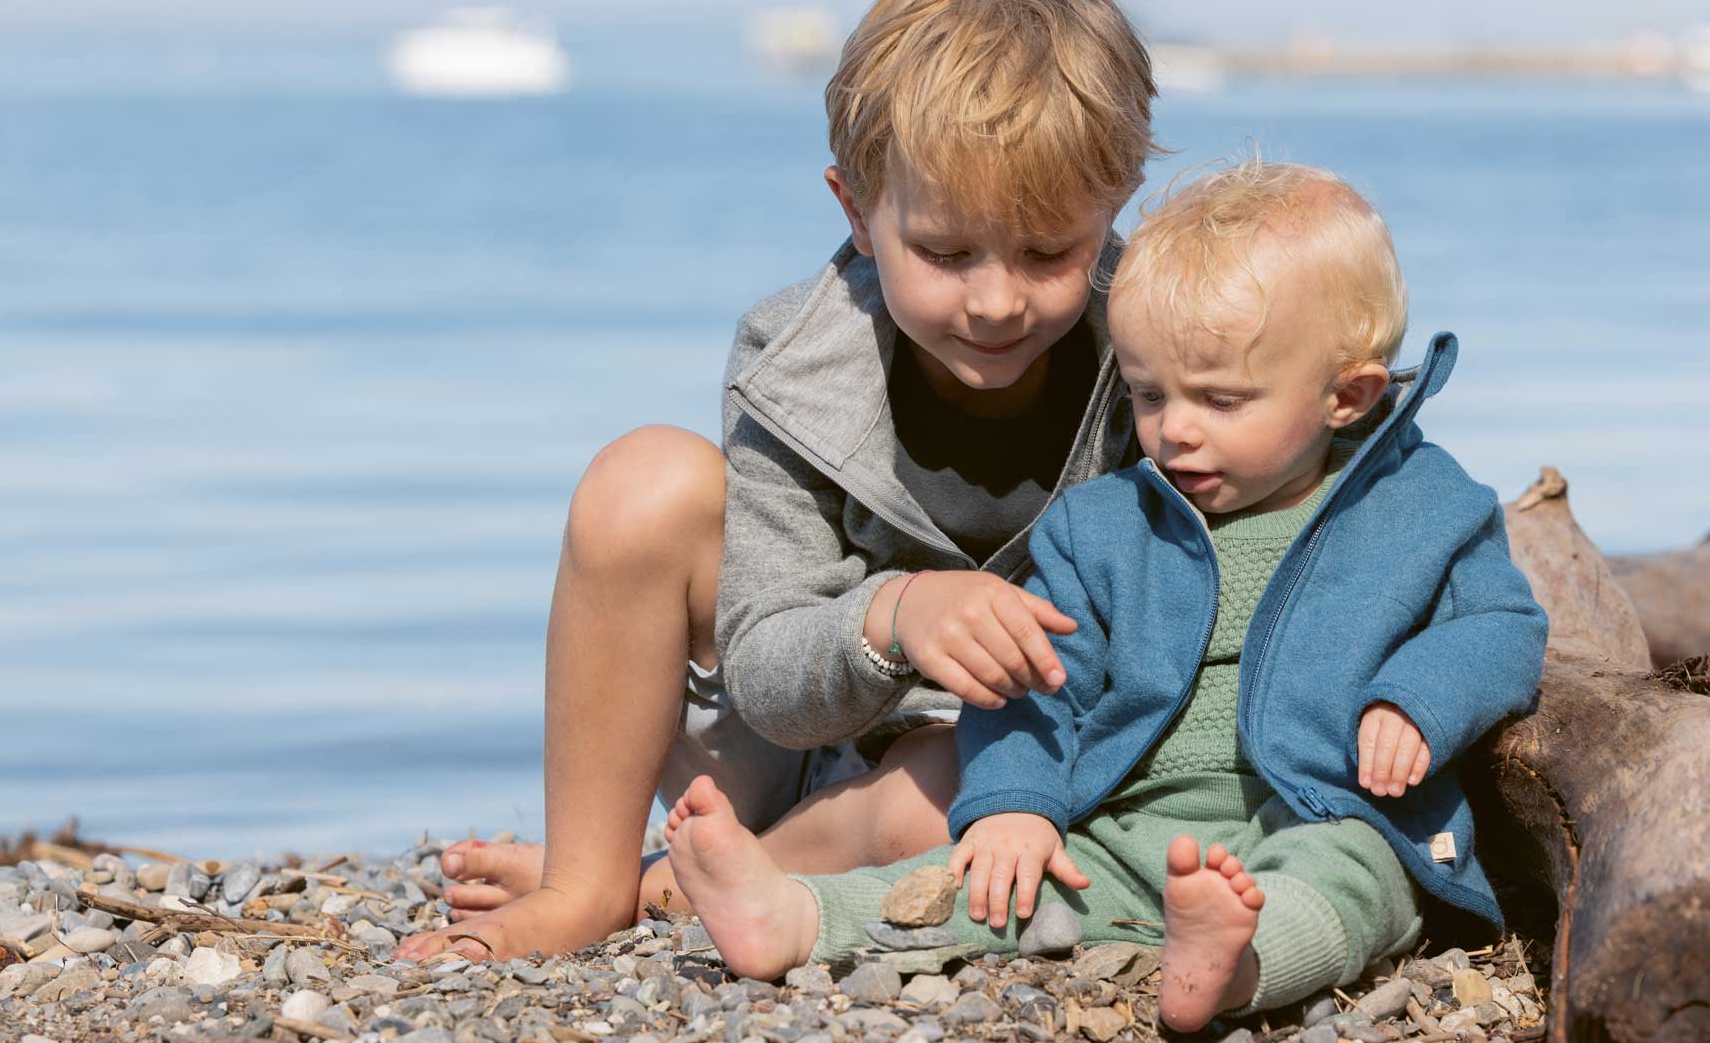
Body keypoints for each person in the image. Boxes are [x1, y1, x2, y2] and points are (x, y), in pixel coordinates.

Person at [397, 0, 1159, 963]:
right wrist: (895, 617)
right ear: (857, 208)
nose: (996, 299)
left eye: (1048, 252)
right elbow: (765, 670)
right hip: (802, 730)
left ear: (1113, 209)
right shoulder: (797, 358)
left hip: (1004, 764)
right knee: (642, 484)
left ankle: (675, 885)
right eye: (944, 252)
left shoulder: (1160, 343)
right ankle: (586, 880)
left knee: (950, 803)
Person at [660, 160, 1550, 1030]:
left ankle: (1234, 963)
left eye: (1221, 399)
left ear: (1347, 396)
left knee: (1352, 881)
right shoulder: (1108, 526)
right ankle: (801, 916)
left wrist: (1418, 701)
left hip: (1329, 805)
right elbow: (1041, 676)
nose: (1175, 430)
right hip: (1129, 823)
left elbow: (1502, 623)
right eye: (1149, 393)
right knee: (1000, 881)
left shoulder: (1424, 506)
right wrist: (1014, 801)